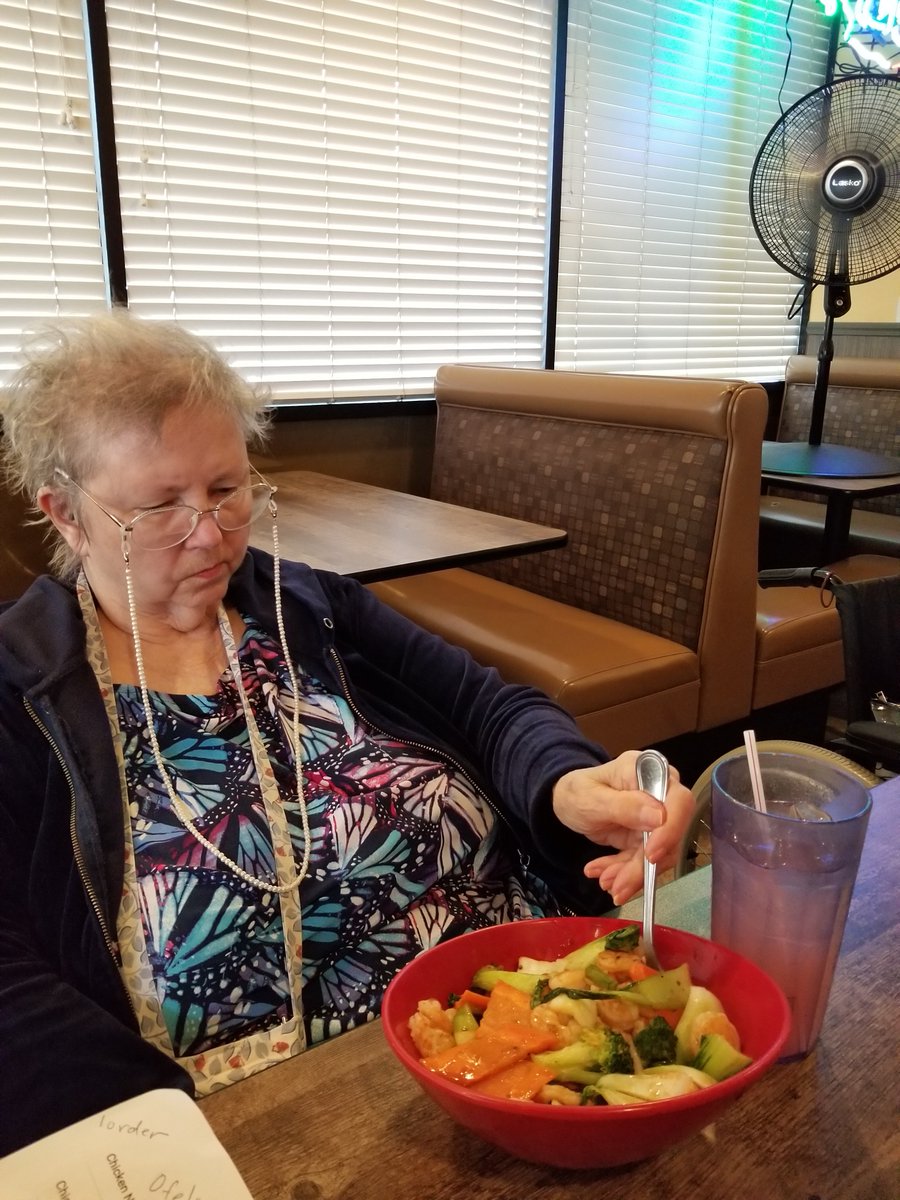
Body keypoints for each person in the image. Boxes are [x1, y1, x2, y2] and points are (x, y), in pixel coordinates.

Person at [0, 310, 694, 1155]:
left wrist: (564, 785)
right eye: (160, 508)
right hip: (288, 1123)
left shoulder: (305, 606)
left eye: (228, 490)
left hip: (543, 1017)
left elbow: (491, 707)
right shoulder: (20, 691)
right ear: (66, 514)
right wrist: (143, 1136)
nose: (213, 534)